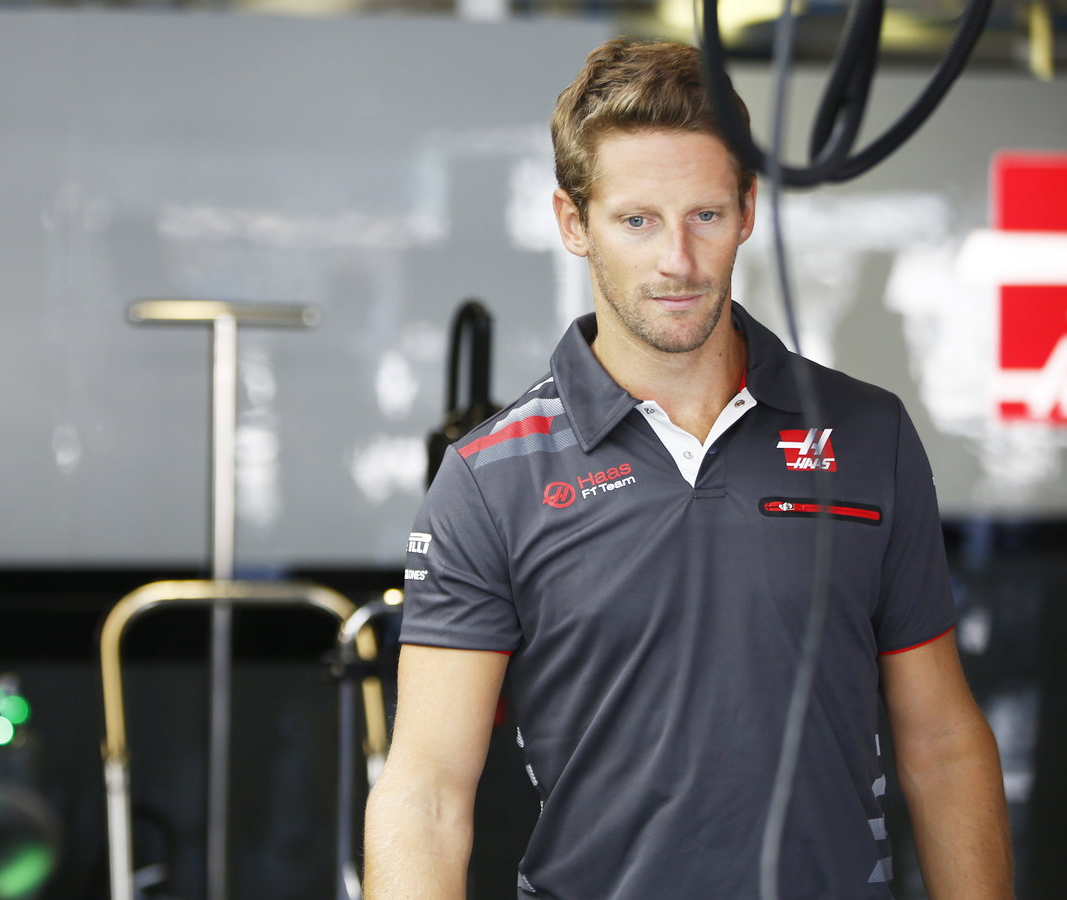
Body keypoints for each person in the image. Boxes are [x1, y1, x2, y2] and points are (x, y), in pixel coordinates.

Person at [364, 37, 1012, 899]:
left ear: (747, 210)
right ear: (573, 223)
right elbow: (426, 794)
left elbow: (942, 742)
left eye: (704, 214)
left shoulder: (867, 434)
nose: (678, 259)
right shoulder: (490, 478)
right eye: (637, 220)